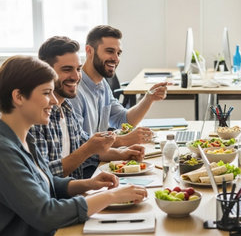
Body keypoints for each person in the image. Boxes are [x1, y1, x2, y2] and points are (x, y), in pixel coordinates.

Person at [0, 56, 147, 236]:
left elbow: (45, 182)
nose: (54, 101)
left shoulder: (25, 137)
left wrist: (88, 184)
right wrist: (112, 196)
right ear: (19, 97)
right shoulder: (4, 151)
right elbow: (45, 214)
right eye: (46, 93)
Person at [30, 36, 145, 179]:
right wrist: (88, 150)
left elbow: (89, 148)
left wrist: (123, 153)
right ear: (46, 71)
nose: (76, 76)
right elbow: (45, 175)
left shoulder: (66, 108)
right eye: (67, 69)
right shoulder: (36, 117)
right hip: (60, 198)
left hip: (76, 191)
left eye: (78, 69)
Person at [69, 25, 168, 147]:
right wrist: (124, 140)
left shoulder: (102, 84)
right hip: (91, 164)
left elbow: (124, 120)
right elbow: (79, 144)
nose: (116, 59)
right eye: (110, 51)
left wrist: (148, 99)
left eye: (118, 53)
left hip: (104, 158)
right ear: (89, 51)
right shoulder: (74, 91)